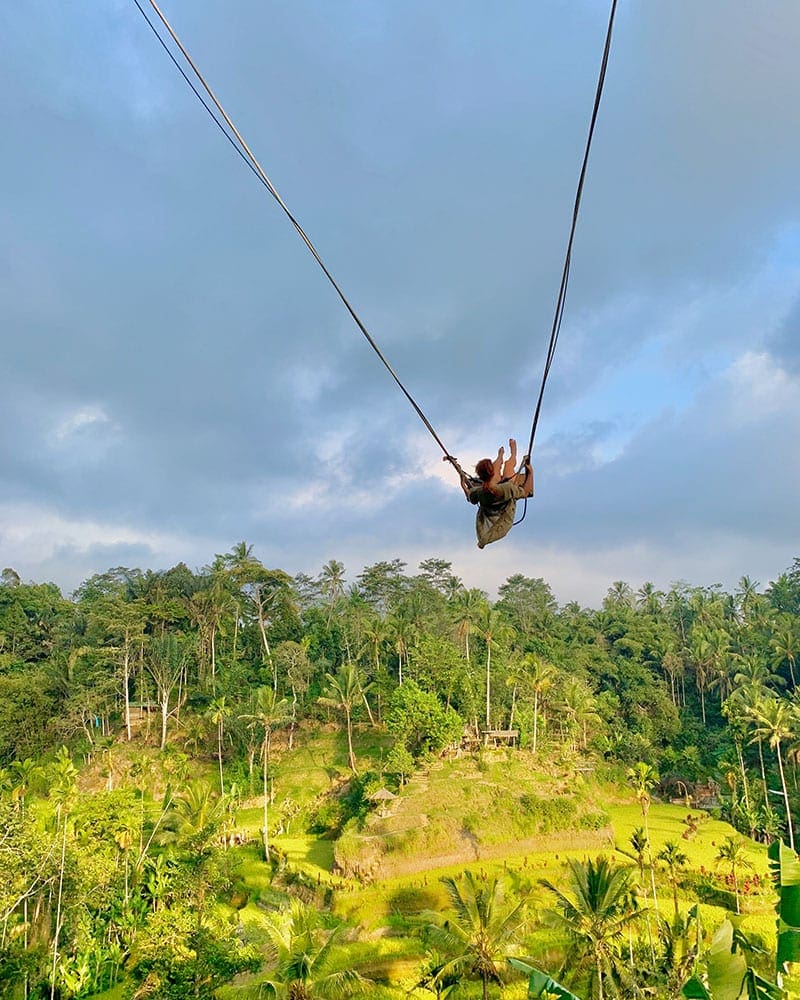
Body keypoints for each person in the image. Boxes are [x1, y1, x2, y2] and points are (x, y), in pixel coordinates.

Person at [458, 438, 533, 549]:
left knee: (499, 469)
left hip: (493, 491)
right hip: (504, 506)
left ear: (481, 477)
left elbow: (470, 496)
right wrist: (530, 473)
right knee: (509, 465)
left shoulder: (478, 492)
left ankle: (500, 457)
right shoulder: (507, 488)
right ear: (490, 473)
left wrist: (463, 483)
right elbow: (525, 492)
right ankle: (512, 453)